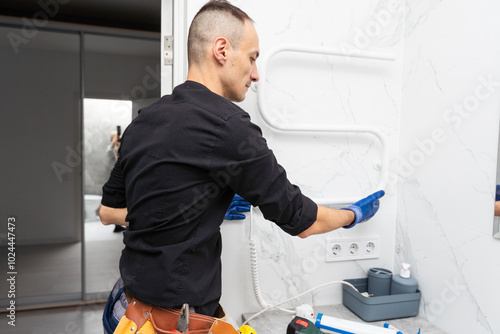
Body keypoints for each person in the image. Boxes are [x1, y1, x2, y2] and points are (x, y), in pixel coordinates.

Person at [99, 1, 385, 333]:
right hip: (172, 325)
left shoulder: (142, 122)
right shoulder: (228, 126)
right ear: (221, 50)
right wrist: (353, 215)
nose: (256, 74)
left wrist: (187, 209)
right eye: (252, 58)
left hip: (125, 310)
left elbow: (109, 211)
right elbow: (303, 220)